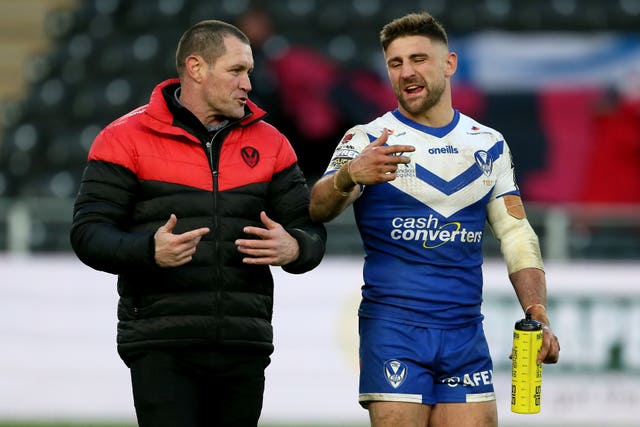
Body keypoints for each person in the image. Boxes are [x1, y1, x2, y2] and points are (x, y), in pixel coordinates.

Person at [70, 20, 326, 427]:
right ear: (196, 68)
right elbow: (87, 234)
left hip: (244, 343)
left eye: (250, 72)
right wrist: (149, 251)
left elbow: (310, 232)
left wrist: (295, 247)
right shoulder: (123, 138)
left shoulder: (272, 142)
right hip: (160, 343)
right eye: (237, 70)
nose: (248, 84)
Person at [309, 11, 560, 427]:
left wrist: (537, 310)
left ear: (449, 64)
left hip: (464, 332)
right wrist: (352, 174)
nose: (407, 71)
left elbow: (516, 233)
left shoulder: (489, 144)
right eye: (395, 63)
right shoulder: (367, 139)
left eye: (419, 59)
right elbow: (317, 206)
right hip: (394, 328)